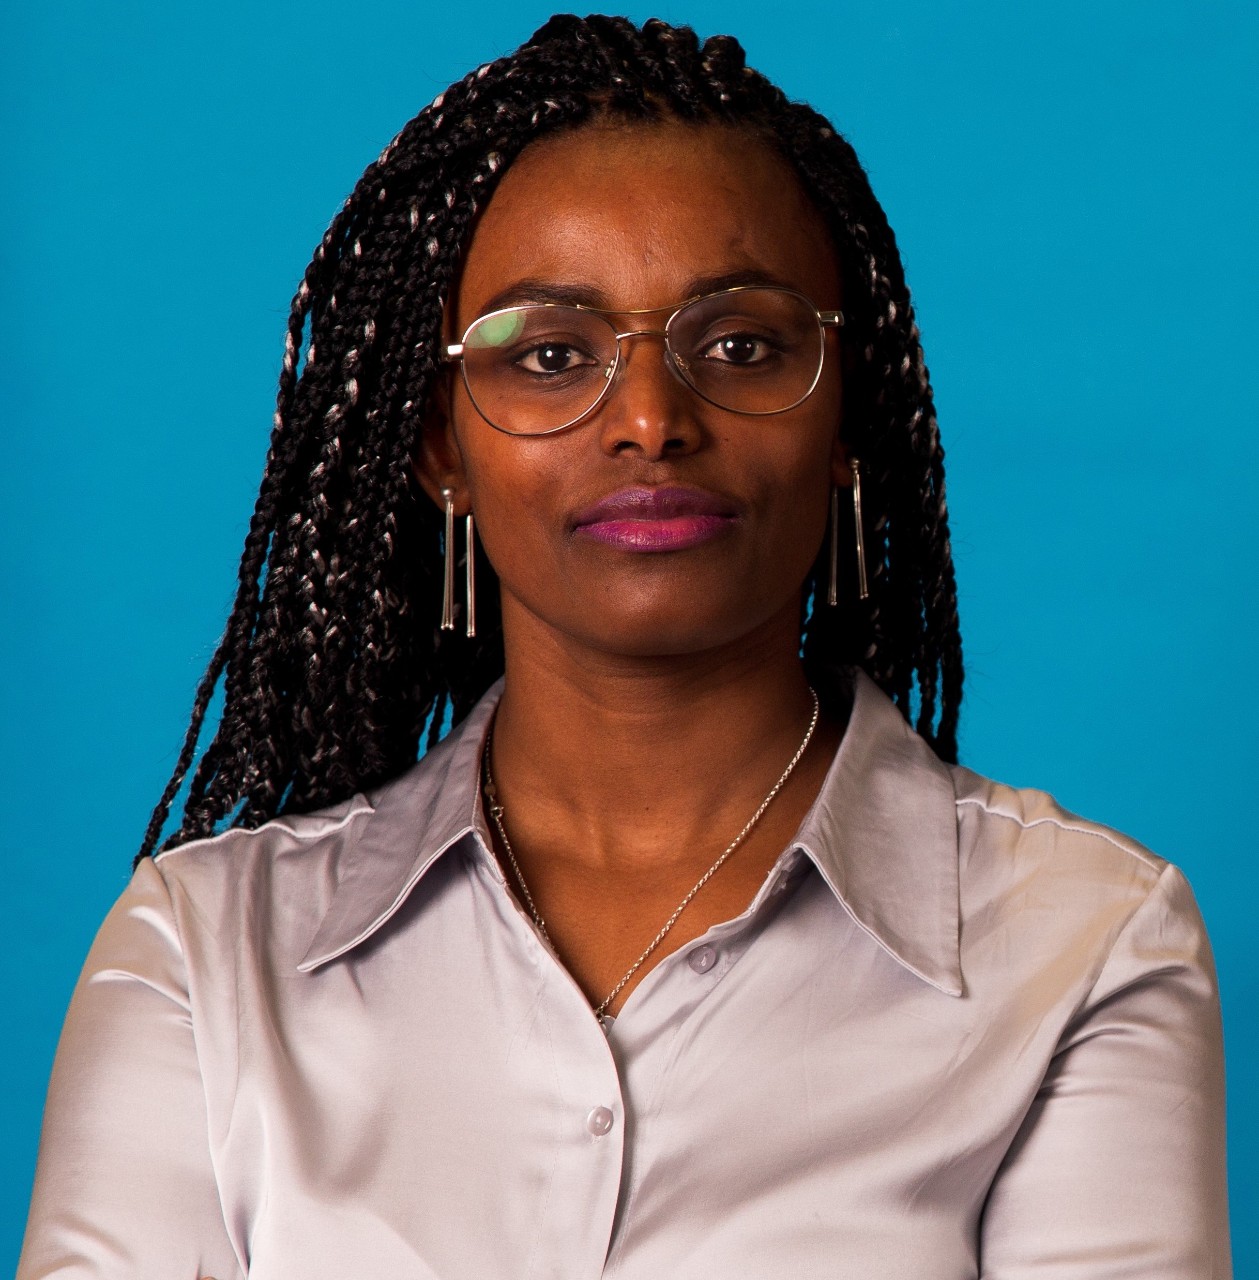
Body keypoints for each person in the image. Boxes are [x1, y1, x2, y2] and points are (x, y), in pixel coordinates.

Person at [18, 14, 1229, 1278]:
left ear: (847, 414)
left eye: (742, 345)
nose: (650, 419)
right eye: (550, 355)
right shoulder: (206, 961)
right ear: (441, 447)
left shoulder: (1079, 943)